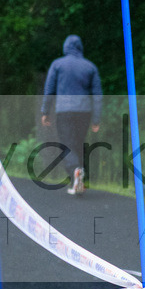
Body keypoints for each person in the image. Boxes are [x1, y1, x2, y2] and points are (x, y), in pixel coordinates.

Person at [40, 34, 102, 196]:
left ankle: (75, 172)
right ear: (80, 47)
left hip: (64, 111)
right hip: (84, 112)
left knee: (67, 144)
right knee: (78, 143)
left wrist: (45, 111)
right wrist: (96, 118)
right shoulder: (90, 67)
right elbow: (97, 95)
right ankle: (78, 180)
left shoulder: (57, 64)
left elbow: (49, 90)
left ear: (66, 47)